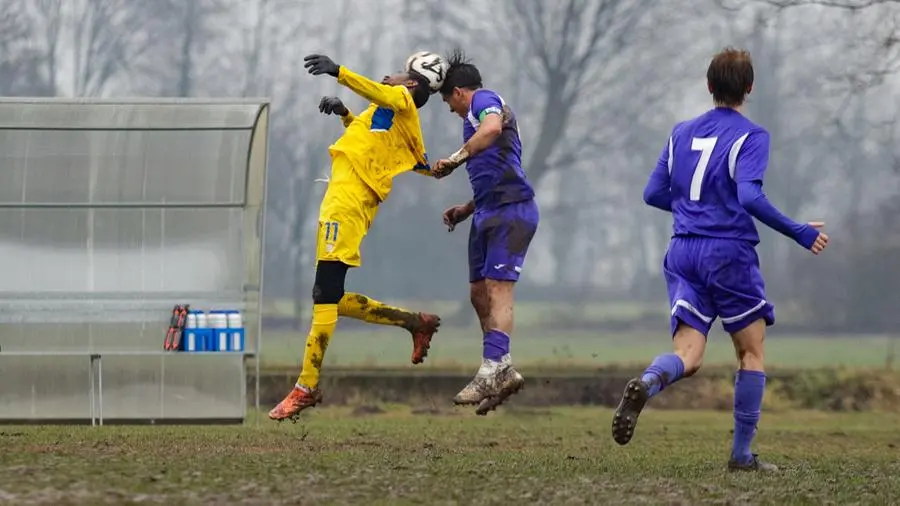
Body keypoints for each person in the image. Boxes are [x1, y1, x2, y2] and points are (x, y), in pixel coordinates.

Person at [610, 47, 829, 471]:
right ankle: (741, 456)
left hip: (683, 251)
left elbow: (653, 193)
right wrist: (799, 231)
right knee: (750, 354)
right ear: (749, 88)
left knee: (688, 356)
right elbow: (749, 195)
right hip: (727, 255)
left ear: (709, 87)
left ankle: (651, 380)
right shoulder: (752, 136)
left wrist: (695, 211)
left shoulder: (679, 133)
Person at [268, 54, 442, 422]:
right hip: (341, 200)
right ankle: (413, 322)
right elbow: (369, 142)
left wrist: (339, 72)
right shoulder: (389, 114)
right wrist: (345, 113)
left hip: (348, 202)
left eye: (396, 73)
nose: (387, 74)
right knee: (330, 297)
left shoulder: (402, 99)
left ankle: (306, 385)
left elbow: (381, 93)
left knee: (324, 295)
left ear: (409, 84)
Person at [433, 49, 539, 415]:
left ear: (459, 92)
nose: (449, 108)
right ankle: (502, 368)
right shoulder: (472, 121)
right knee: (478, 293)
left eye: (447, 100)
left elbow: (493, 128)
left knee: (497, 288)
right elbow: (492, 169)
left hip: (512, 211)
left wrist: (455, 158)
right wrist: (466, 208)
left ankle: (491, 367)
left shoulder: (485, 101)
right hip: (486, 211)